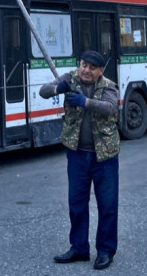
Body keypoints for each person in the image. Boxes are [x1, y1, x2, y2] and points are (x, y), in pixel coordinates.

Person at [39, 50, 120, 270]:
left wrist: (86, 102)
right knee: (76, 204)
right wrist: (57, 89)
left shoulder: (109, 86)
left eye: (92, 68)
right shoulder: (70, 78)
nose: (86, 70)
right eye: (84, 65)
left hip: (105, 156)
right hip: (77, 155)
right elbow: (43, 91)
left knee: (107, 206)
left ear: (100, 71)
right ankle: (79, 248)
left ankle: (105, 251)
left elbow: (110, 107)